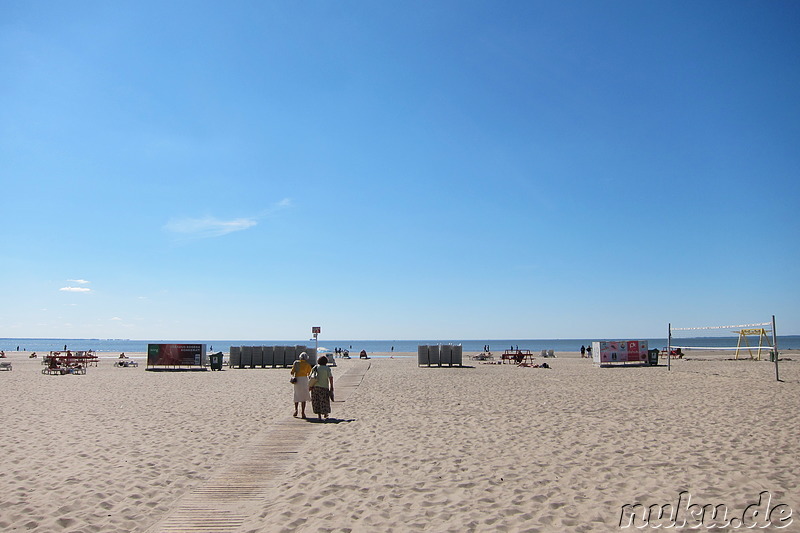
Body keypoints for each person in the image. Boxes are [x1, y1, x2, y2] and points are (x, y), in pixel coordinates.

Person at [309, 355, 334, 420]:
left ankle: (319, 416)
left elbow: (310, 377)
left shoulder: (315, 367)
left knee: (316, 401)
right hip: (324, 387)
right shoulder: (327, 368)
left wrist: (310, 386)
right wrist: (331, 386)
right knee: (324, 401)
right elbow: (330, 378)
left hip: (315, 387)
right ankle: (325, 414)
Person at [290, 352, 313, 418]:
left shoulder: (296, 363)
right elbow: (309, 374)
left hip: (297, 380)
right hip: (304, 380)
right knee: (303, 396)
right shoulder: (307, 365)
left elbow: (292, 372)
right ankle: (303, 412)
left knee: (296, 395)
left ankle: (296, 410)